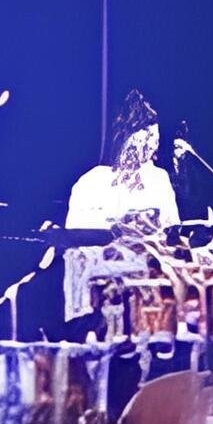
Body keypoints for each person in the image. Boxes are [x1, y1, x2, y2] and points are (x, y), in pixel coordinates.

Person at [60, 89, 182, 325]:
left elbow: (171, 233)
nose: (151, 149)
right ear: (124, 139)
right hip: (98, 287)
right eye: (145, 140)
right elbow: (76, 242)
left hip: (148, 284)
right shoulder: (90, 182)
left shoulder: (159, 180)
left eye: (154, 141)